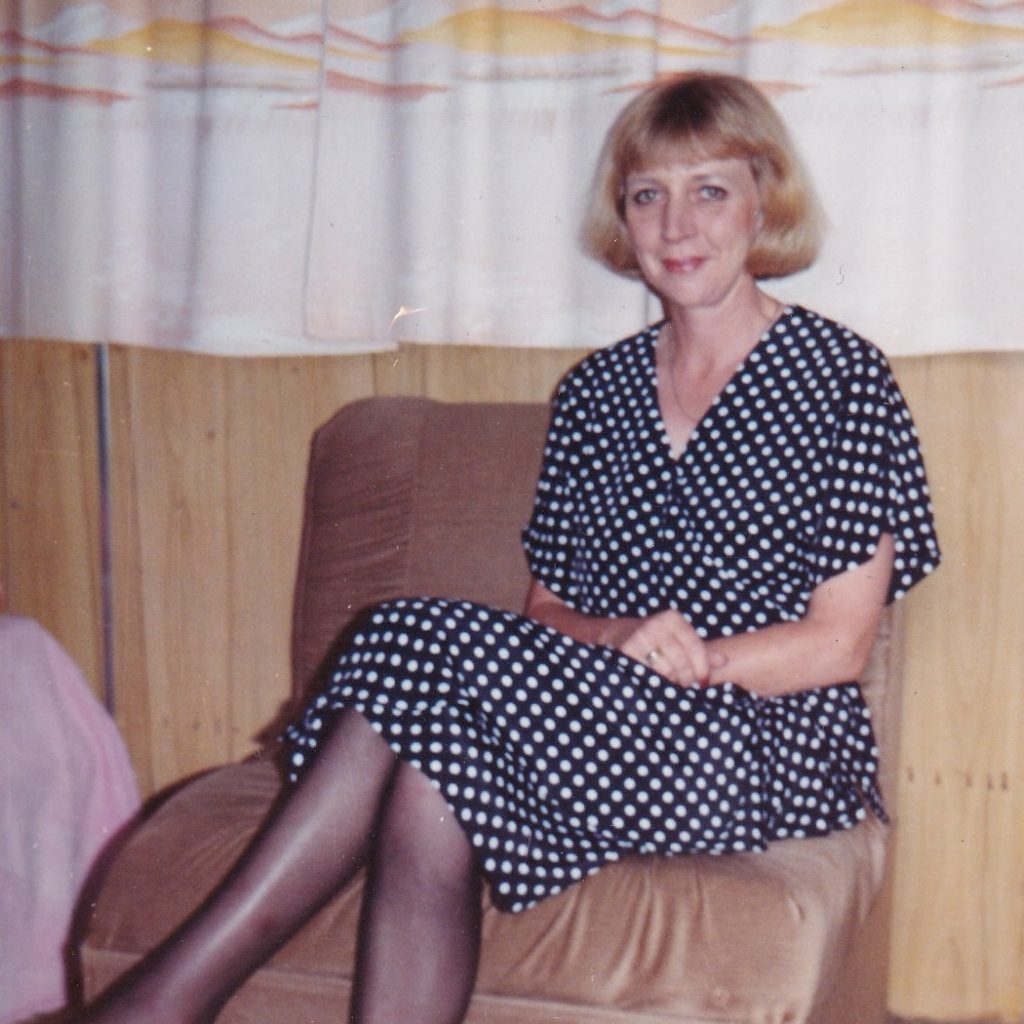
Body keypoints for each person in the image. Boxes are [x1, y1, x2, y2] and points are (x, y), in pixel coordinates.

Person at [62, 71, 940, 1024]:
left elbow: (839, 644)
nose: (677, 225)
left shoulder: (843, 380)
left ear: (763, 203)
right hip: (602, 713)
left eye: (710, 191)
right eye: (649, 195)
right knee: (432, 767)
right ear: (623, 218)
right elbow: (547, 611)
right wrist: (622, 640)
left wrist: (691, 665)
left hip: (764, 739)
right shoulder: (596, 394)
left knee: (405, 636)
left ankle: (160, 1004)